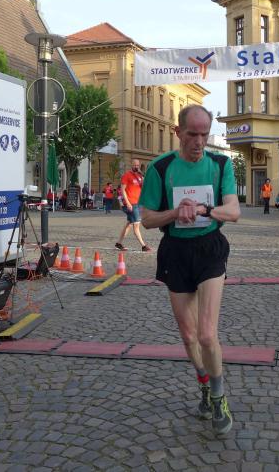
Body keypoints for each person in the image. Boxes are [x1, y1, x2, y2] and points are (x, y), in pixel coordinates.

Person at [140, 104, 241, 435]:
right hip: (176, 251)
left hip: (210, 248)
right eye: (192, 134)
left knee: (207, 334)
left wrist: (204, 209)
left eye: (204, 134)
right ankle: (203, 383)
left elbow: (234, 211)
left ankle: (219, 395)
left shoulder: (221, 164)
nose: (199, 142)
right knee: (188, 335)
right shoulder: (160, 167)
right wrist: (175, 213)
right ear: (178, 132)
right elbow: (147, 219)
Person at [115, 159, 152, 252]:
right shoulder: (126, 175)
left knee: (129, 224)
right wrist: (127, 202)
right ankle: (143, 246)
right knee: (136, 225)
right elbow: (123, 190)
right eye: (135, 165)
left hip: (138, 203)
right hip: (131, 204)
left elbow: (144, 186)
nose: (136, 167)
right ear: (131, 165)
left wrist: (143, 175)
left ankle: (119, 243)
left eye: (138, 165)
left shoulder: (139, 176)